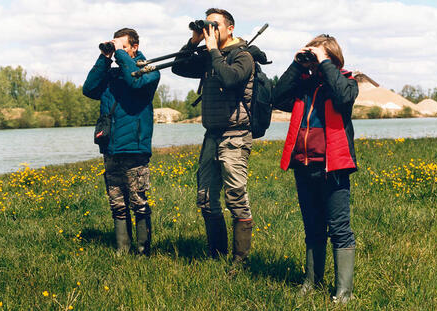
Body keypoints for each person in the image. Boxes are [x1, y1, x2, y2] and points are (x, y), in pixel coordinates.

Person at [273, 34, 359, 303]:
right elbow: (277, 97)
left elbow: (344, 98)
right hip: (304, 164)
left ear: (332, 59)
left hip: (333, 166)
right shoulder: (304, 86)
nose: (314, 62)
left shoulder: (346, 81)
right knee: (312, 226)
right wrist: (297, 64)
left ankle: (344, 292)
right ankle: (312, 282)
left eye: (319, 56)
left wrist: (324, 63)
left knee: (339, 227)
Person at [172, 8, 254, 266]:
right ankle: (216, 256)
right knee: (206, 199)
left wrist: (213, 51)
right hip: (212, 135)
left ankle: (239, 262)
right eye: (208, 25)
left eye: (215, 25)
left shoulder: (244, 56)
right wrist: (194, 41)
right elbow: (178, 68)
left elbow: (229, 79)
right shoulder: (209, 55)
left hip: (235, 135)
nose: (211, 30)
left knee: (236, 198)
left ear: (230, 28)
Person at [83, 28, 160, 255]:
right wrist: (104, 58)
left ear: (134, 47)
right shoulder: (113, 74)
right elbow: (89, 89)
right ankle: (122, 251)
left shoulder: (150, 71)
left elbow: (135, 83)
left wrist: (121, 55)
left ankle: (144, 252)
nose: (119, 53)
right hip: (111, 147)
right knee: (117, 202)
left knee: (138, 202)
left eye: (123, 47)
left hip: (134, 147)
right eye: (117, 48)